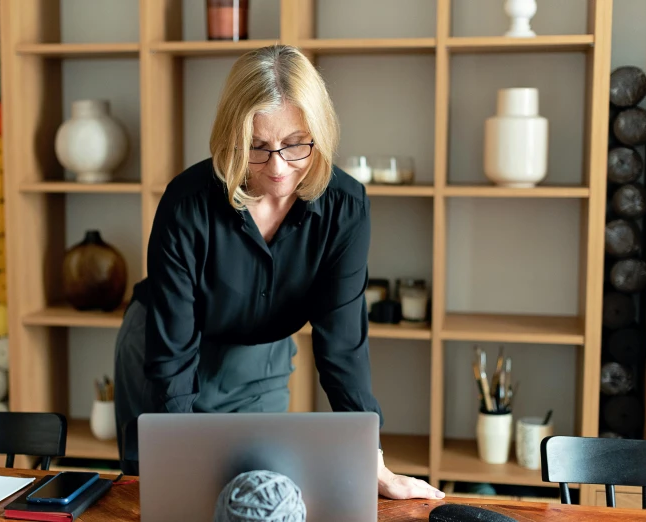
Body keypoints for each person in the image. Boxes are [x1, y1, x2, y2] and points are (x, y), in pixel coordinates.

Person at [114, 44, 444, 501]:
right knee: (169, 496)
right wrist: (177, 459)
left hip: (261, 355)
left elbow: (342, 347)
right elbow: (171, 356)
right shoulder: (186, 203)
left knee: (259, 491)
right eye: (257, 146)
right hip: (162, 346)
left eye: (295, 144)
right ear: (232, 136)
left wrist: (373, 459)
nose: (277, 167)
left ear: (319, 132)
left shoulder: (345, 209)